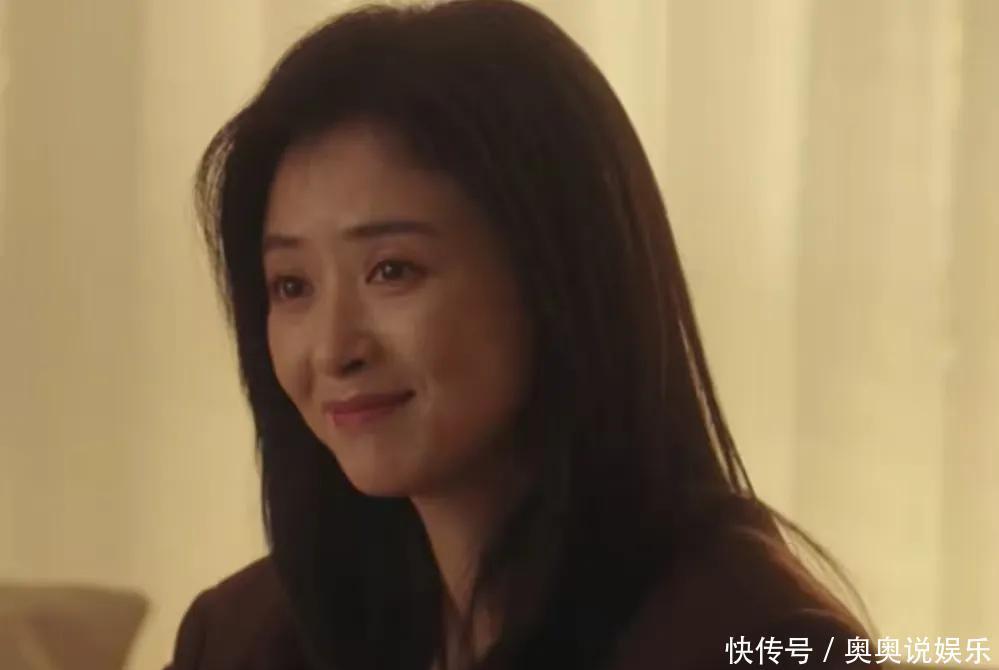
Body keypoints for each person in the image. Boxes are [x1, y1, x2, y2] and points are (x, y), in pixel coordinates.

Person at [166, 1, 880, 669]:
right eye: (292, 286)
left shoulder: (757, 640)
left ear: (556, 271)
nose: (332, 350)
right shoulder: (242, 636)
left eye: (391, 270)